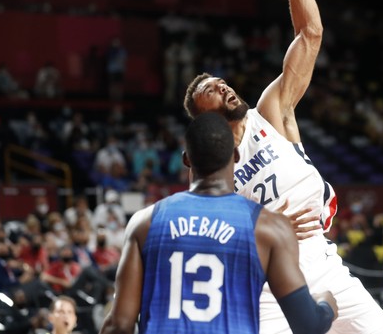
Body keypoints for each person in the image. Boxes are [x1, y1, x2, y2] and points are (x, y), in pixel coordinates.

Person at [184, 0, 383, 334]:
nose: (224, 88)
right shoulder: (206, 162)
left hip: (321, 258)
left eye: (221, 82)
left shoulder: (270, 111)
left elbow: (311, 34)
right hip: (265, 281)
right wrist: (268, 227)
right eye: (211, 92)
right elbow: (207, 236)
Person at [99, 112, 337, 334]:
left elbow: (119, 324)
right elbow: (308, 326)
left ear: (186, 159)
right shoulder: (268, 228)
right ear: (235, 155)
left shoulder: (145, 222)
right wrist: (326, 304)